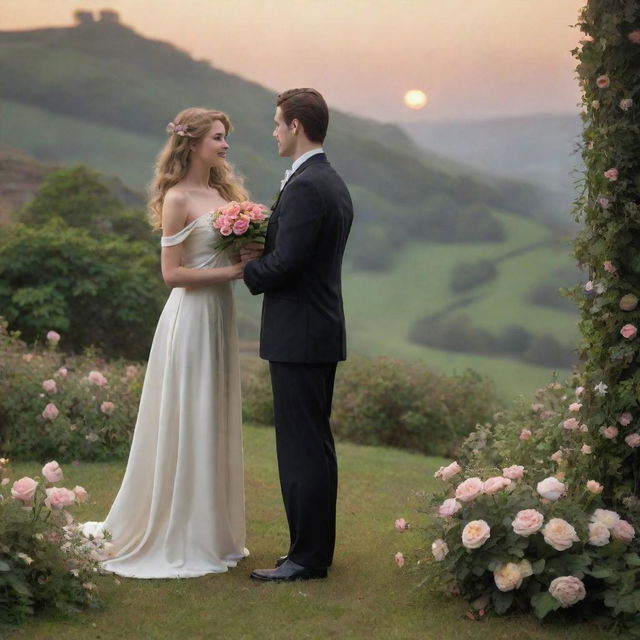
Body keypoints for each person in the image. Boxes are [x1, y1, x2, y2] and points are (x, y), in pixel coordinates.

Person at [81, 108, 249, 578]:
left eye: (225, 138)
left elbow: (227, 250)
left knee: (211, 415)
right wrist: (232, 272)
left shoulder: (222, 194)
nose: (225, 145)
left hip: (219, 315)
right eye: (218, 137)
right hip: (191, 318)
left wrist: (249, 250)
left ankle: (211, 529)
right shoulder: (177, 198)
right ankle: (180, 531)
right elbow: (172, 274)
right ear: (193, 143)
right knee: (190, 414)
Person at [242, 88, 353, 582]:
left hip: (301, 335)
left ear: (296, 127)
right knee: (314, 445)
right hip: (314, 332)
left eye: (277, 123)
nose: (273, 131)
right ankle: (311, 552)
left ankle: (306, 558)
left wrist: (249, 270)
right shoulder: (328, 180)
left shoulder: (309, 186)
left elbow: (289, 262)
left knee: (302, 448)